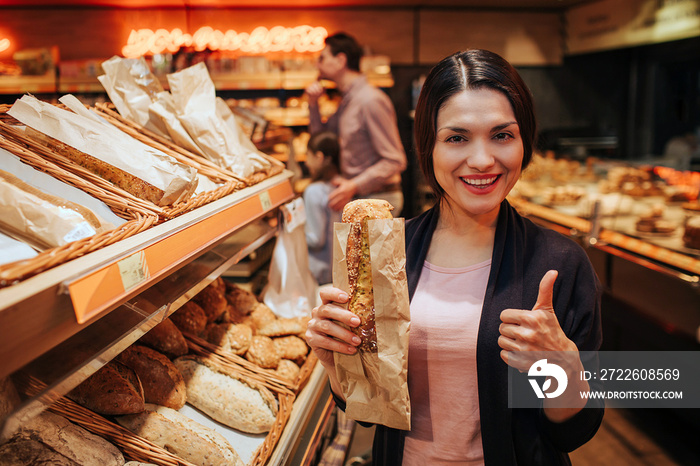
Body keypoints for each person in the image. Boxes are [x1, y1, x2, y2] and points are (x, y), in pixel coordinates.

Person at [305, 49, 604, 465]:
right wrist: (336, 362)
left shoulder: (558, 263)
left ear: (524, 142)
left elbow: (572, 430)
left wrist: (564, 370)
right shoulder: (389, 251)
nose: (482, 160)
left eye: (502, 135)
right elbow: (369, 409)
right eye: (457, 138)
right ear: (429, 146)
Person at [305, 32, 407, 214]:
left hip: (378, 201)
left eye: (322, 58)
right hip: (361, 199)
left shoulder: (370, 100)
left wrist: (354, 185)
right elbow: (321, 140)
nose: (316, 64)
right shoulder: (347, 102)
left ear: (340, 60)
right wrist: (313, 105)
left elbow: (395, 160)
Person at [303, 131, 342, 285]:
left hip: (320, 272)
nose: (306, 161)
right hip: (339, 269)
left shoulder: (314, 191)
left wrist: (291, 232)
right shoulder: (342, 187)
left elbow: (316, 239)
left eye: (307, 155)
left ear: (319, 157)